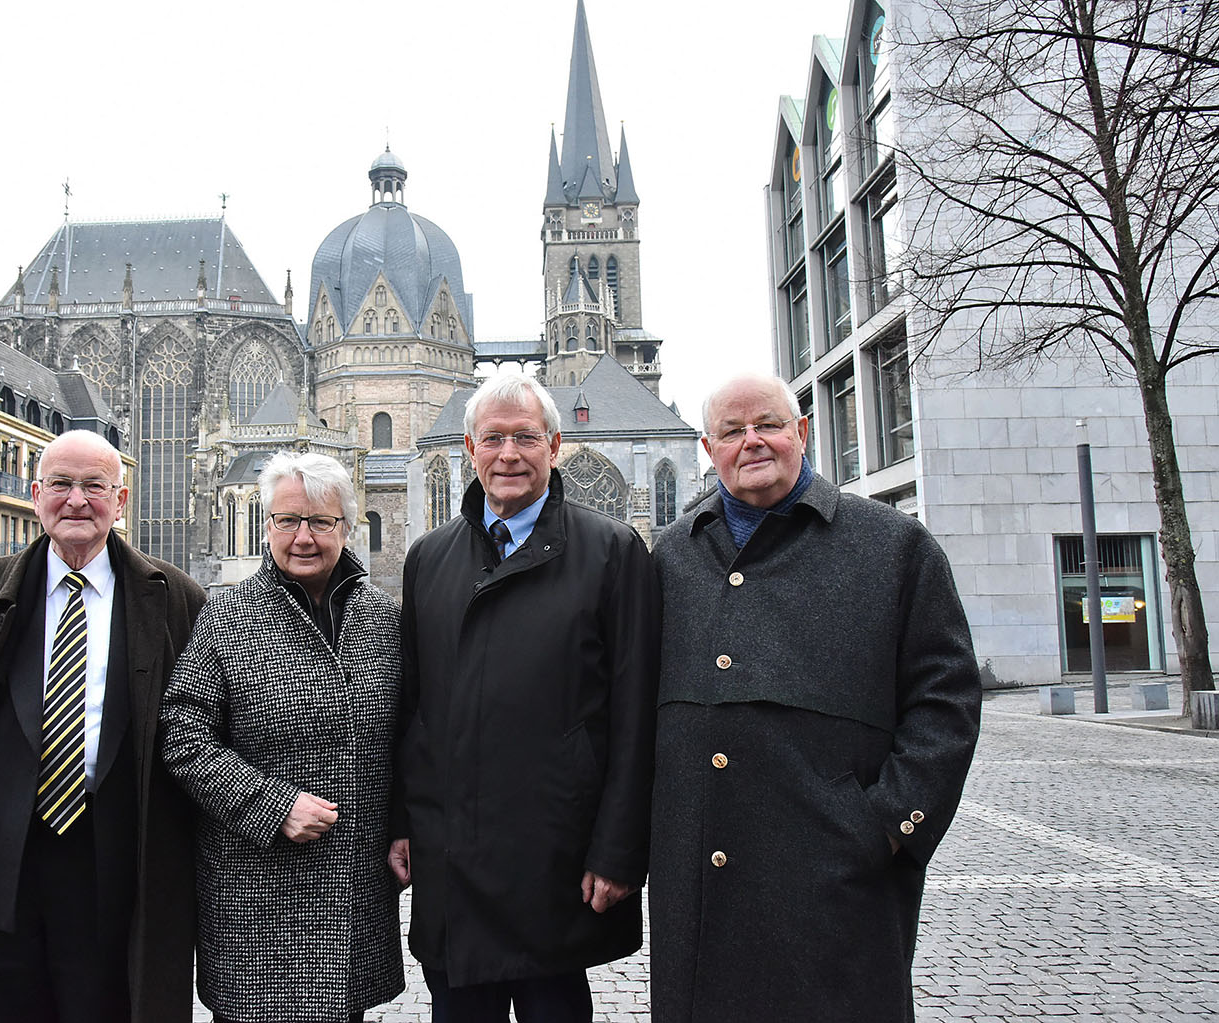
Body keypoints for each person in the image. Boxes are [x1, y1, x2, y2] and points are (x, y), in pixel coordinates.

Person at [649, 374, 982, 1023]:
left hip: (836, 889)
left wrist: (884, 824)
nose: (752, 441)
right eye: (732, 431)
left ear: (800, 431)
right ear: (706, 447)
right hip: (700, 887)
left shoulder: (893, 546)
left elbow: (946, 696)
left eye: (768, 424)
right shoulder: (670, 556)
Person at [0, 429, 206, 1023]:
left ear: (122, 499)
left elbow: (206, 737)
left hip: (120, 868)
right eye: (61, 485)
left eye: (94, 487)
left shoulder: (177, 599)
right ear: (36, 496)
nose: (77, 501)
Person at [390, 373, 660, 1022]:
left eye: (525, 437)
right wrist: (401, 820)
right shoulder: (428, 557)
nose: (508, 453)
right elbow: (412, 709)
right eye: (493, 438)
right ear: (469, 447)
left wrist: (619, 849)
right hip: (454, 857)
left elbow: (633, 715)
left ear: (555, 445)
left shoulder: (611, 551)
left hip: (554, 857)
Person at [160, 451, 404, 1023]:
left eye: (320, 522)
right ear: (266, 524)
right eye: (287, 520)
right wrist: (272, 805)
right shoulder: (226, 613)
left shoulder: (383, 617)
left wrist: (404, 825)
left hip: (352, 887)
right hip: (256, 890)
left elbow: (409, 737)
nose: (303, 537)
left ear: (346, 526)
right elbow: (183, 736)